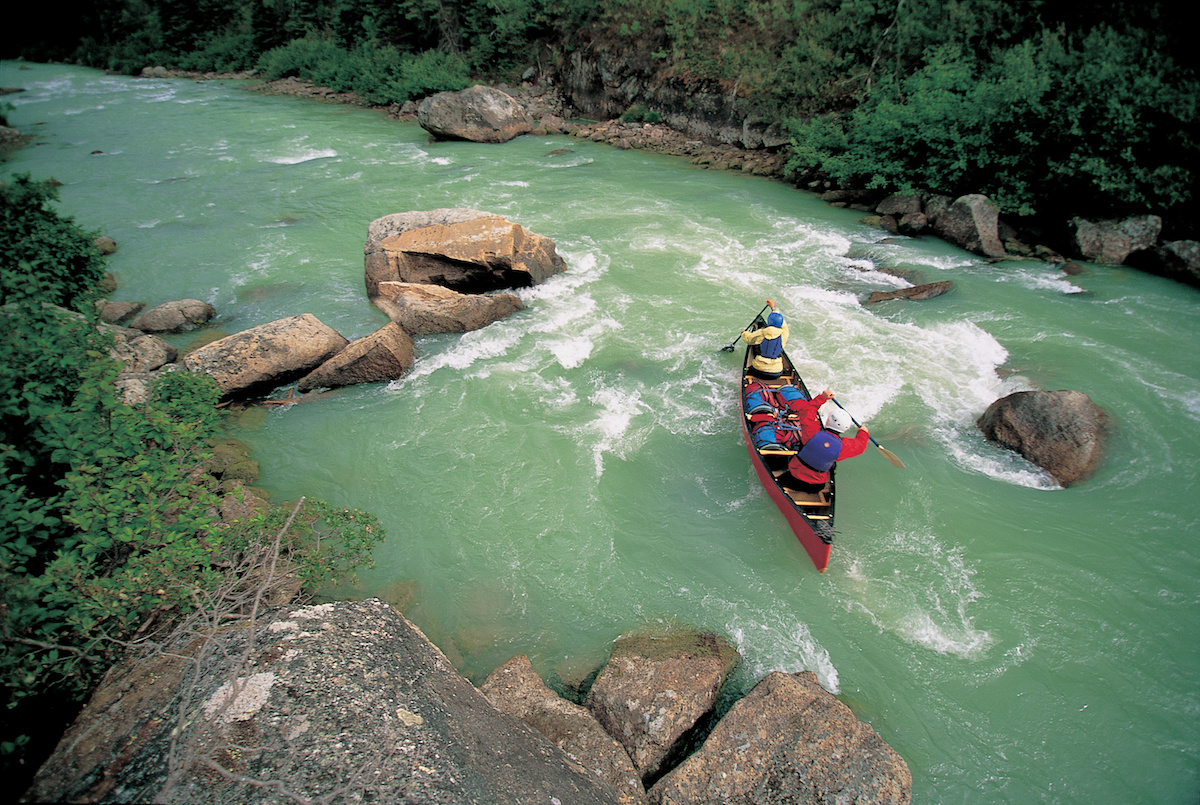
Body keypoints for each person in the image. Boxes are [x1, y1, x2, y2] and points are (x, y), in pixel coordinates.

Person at [777, 401, 870, 493]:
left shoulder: (812, 432)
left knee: (781, 476)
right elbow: (861, 445)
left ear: (828, 420)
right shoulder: (843, 446)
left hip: (793, 478)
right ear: (845, 428)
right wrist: (863, 432)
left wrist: (823, 397)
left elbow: (806, 411)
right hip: (816, 487)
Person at [740, 300, 789, 379]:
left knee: (756, 345)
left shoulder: (762, 333)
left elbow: (748, 339)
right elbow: (783, 323)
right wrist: (773, 308)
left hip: (758, 370)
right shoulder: (784, 333)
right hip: (777, 373)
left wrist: (743, 333)